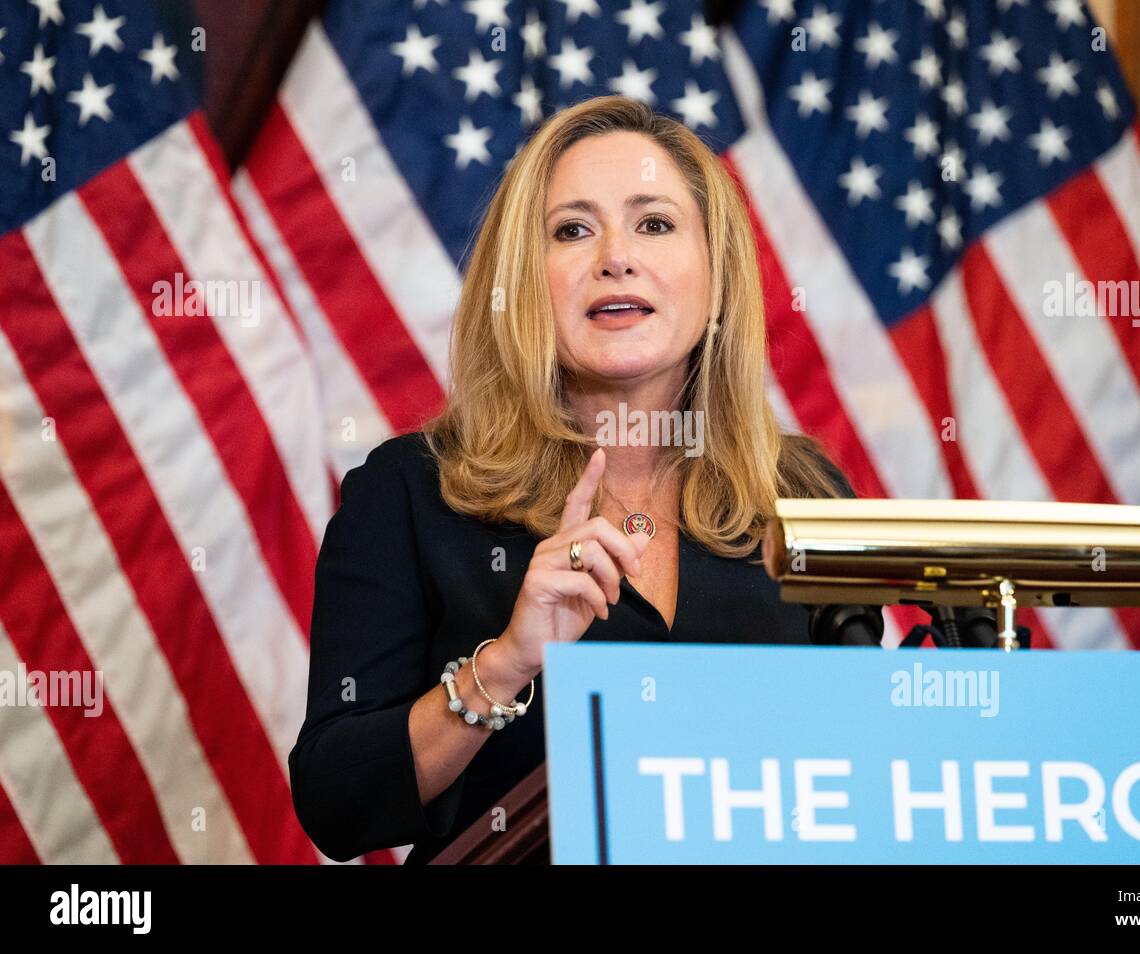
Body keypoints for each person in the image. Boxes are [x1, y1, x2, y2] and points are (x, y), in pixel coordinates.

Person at [289, 95, 858, 865]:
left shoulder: (801, 494)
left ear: (717, 274)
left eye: (654, 223)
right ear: (524, 280)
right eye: (573, 230)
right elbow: (336, 802)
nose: (615, 257)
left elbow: (852, 764)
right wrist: (505, 665)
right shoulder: (412, 492)